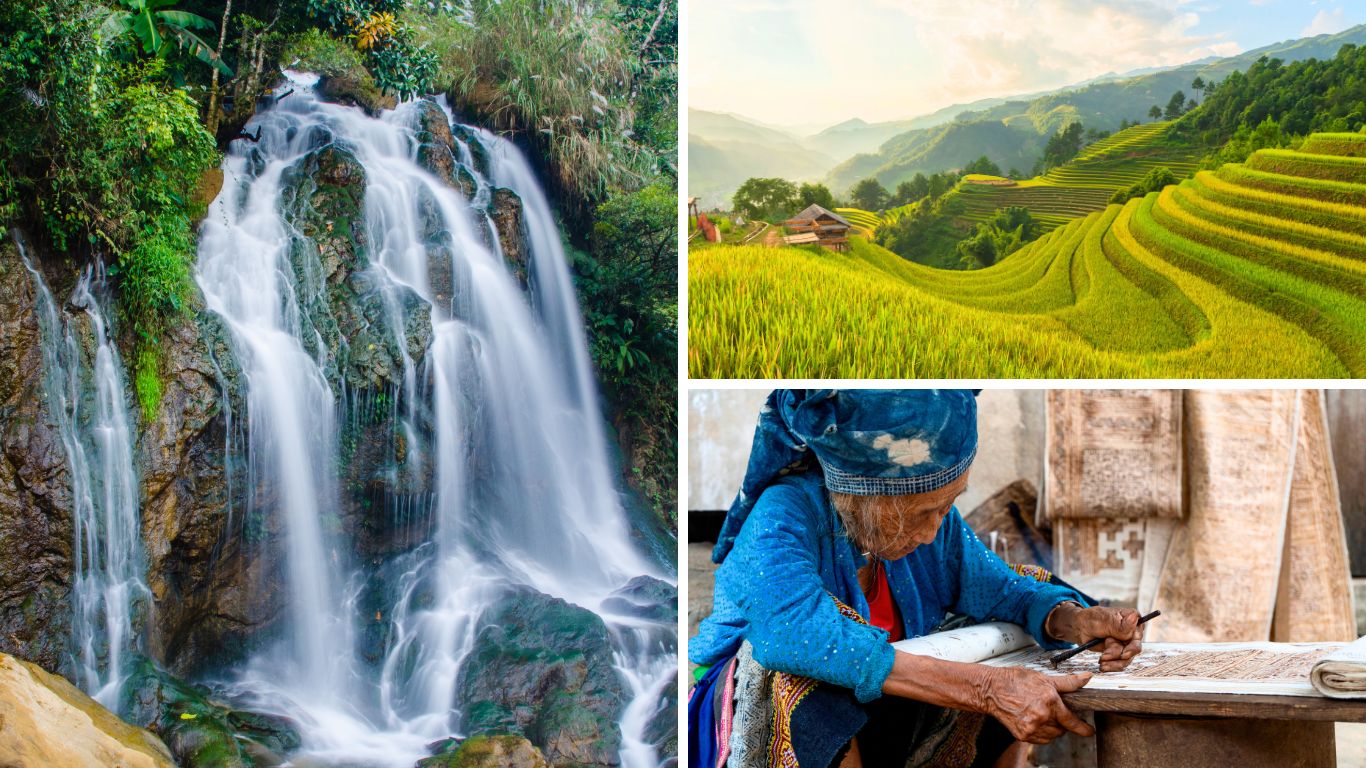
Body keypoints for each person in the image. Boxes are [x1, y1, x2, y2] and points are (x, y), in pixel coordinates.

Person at [689, 390, 1145, 768]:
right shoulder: (783, 514)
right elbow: (794, 635)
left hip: (881, 717)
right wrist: (987, 691)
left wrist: (1074, 620)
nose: (932, 531)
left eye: (947, 506)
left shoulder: (933, 530)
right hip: (784, 726)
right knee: (800, 677)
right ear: (864, 496)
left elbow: (1008, 589)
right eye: (922, 513)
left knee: (1014, 626)